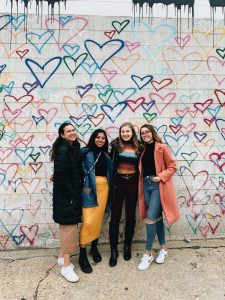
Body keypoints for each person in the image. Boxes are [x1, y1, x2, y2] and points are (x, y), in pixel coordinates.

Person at [137, 124, 180, 271]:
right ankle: (163, 249)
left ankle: (148, 253)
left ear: (152, 132)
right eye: (142, 133)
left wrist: (160, 177)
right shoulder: (142, 150)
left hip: (157, 186)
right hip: (146, 186)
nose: (145, 134)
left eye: (147, 132)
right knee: (156, 218)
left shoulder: (162, 147)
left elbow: (172, 166)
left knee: (150, 219)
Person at [50, 122, 82, 282]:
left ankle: (62, 257)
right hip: (66, 197)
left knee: (68, 228)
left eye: (73, 130)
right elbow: (61, 177)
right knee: (68, 231)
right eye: (68, 131)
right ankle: (66, 267)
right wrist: (73, 195)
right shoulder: (64, 150)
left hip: (67, 196)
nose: (72, 133)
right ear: (62, 134)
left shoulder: (72, 148)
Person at [79, 129, 112, 273]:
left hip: (104, 188)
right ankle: (82, 254)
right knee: (88, 221)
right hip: (88, 189)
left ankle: (94, 247)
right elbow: (75, 167)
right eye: (98, 137)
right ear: (93, 138)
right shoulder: (85, 151)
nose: (100, 140)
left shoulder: (106, 154)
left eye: (103, 138)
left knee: (98, 220)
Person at [108, 122, 141, 267]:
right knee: (115, 217)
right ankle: (113, 250)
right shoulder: (115, 146)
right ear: (120, 133)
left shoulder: (139, 146)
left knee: (130, 216)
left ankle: (127, 246)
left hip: (133, 183)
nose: (125, 134)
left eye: (128, 131)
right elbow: (110, 164)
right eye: (123, 132)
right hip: (118, 183)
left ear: (132, 132)